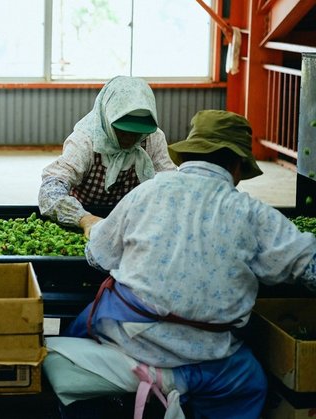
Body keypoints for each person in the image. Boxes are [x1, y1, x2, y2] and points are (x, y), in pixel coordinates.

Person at [44, 110, 316, 418]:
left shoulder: (146, 193)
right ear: (238, 165)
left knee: (76, 334)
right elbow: (309, 265)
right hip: (207, 358)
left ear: (189, 154)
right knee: (249, 382)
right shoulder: (254, 215)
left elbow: (98, 254)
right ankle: (182, 385)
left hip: (129, 340)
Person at [38, 76, 176, 237]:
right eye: (122, 130)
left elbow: (170, 184)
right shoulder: (86, 141)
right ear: (107, 118)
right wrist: (85, 219)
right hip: (84, 222)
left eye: (136, 132)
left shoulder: (152, 138)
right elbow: (50, 191)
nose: (130, 138)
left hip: (132, 223)